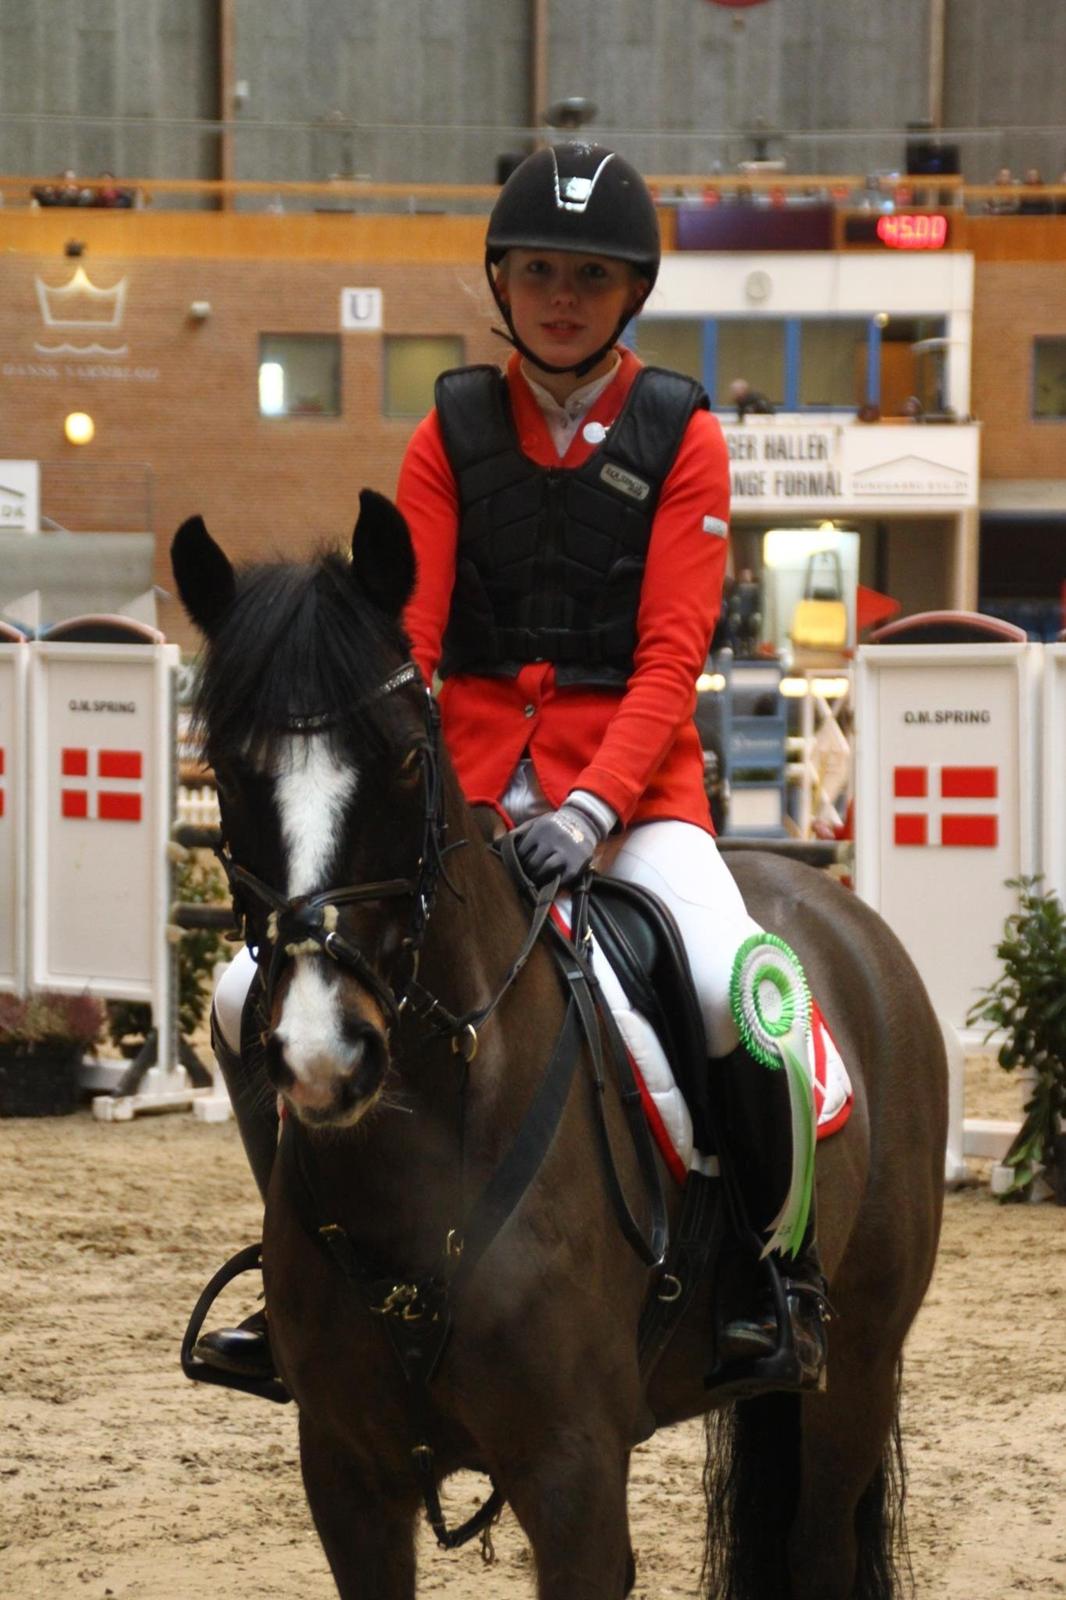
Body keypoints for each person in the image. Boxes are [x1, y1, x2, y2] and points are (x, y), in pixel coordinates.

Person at [195, 143, 829, 1394]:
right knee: (238, 1000)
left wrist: (593, 806)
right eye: (537, 270)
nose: (560, 295)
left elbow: (670, 653)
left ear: (630, 290)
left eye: (589, 275)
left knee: (727, 988)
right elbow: (410, 640)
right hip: (470, 792)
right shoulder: (450, 427)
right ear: (501, 280)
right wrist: (439, 793)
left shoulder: (683, 433)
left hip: (634, 794)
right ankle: (298, 1274)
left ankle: (768, 1278)